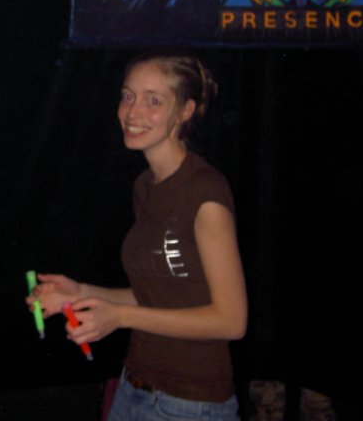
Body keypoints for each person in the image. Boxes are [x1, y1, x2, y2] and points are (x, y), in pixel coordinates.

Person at [28, 54, 247, 420]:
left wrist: (120, 317)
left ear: (185, 111)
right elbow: (160, 293)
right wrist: (81, 291)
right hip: (134, 387)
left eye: (153, 100)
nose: (132, 112)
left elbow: (231, 320)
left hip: (190, 403)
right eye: (128, 96)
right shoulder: (146, 186)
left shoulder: (204, 191)